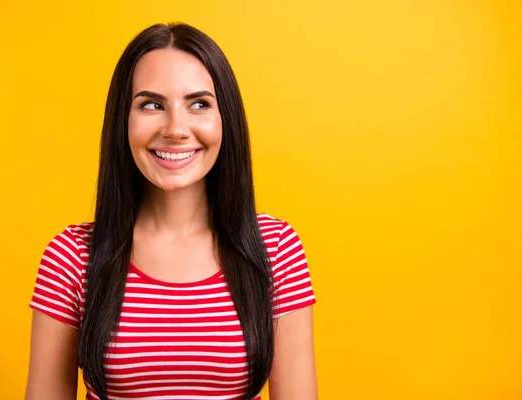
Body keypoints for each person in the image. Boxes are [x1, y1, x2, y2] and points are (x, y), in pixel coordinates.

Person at [25, 22, 317, 400]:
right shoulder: (71, 257)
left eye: (199, 104)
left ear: (225, 119)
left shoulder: (275, 248)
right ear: (122, 123)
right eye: (151, 104)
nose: (176, 129)